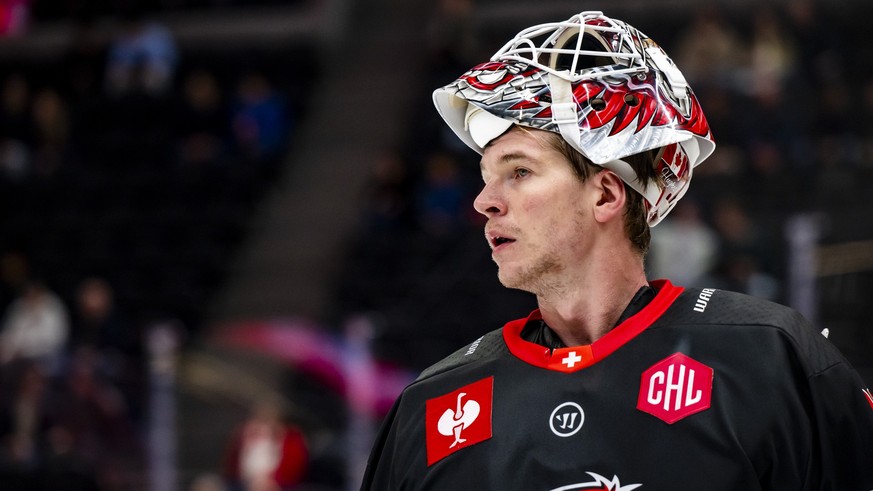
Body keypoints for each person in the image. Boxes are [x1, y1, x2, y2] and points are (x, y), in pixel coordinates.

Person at [360, 10, 873, 490]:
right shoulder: (430, 408)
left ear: (606, 193)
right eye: (486, 177)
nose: (485, 201)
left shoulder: (770, 358)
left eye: (519, 172)